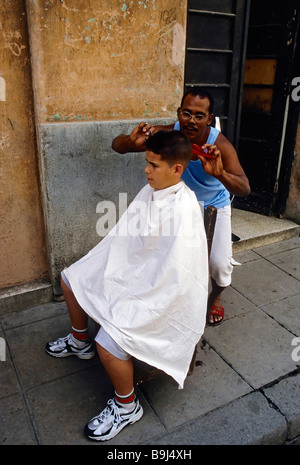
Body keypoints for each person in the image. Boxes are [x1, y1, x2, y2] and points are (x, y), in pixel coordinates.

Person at [45, 130, 209, 441]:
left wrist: (129, 291)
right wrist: (116, 273)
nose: (145, 170)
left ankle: (127, 406)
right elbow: (125, 241)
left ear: (177, 169)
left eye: (153, 165)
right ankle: (80, 342)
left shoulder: (184, 209)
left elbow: (175, 278)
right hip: (132, 274)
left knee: (108, 344)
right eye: (146, 162)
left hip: (161, 296)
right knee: (70, 279)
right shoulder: (152, 190)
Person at [112, 87, 251, 326]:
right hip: (176, 203)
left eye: (199, 115)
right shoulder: (170, 135)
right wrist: (129, 140)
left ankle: (214, 298)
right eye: (186, 113)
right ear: (178, 113)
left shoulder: (220, 144)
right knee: (161, 256)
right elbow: (118, 146)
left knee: (218, 264)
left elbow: (244, 188)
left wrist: (219, 173)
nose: (191, 120)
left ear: (209, 119)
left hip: (212, 206)